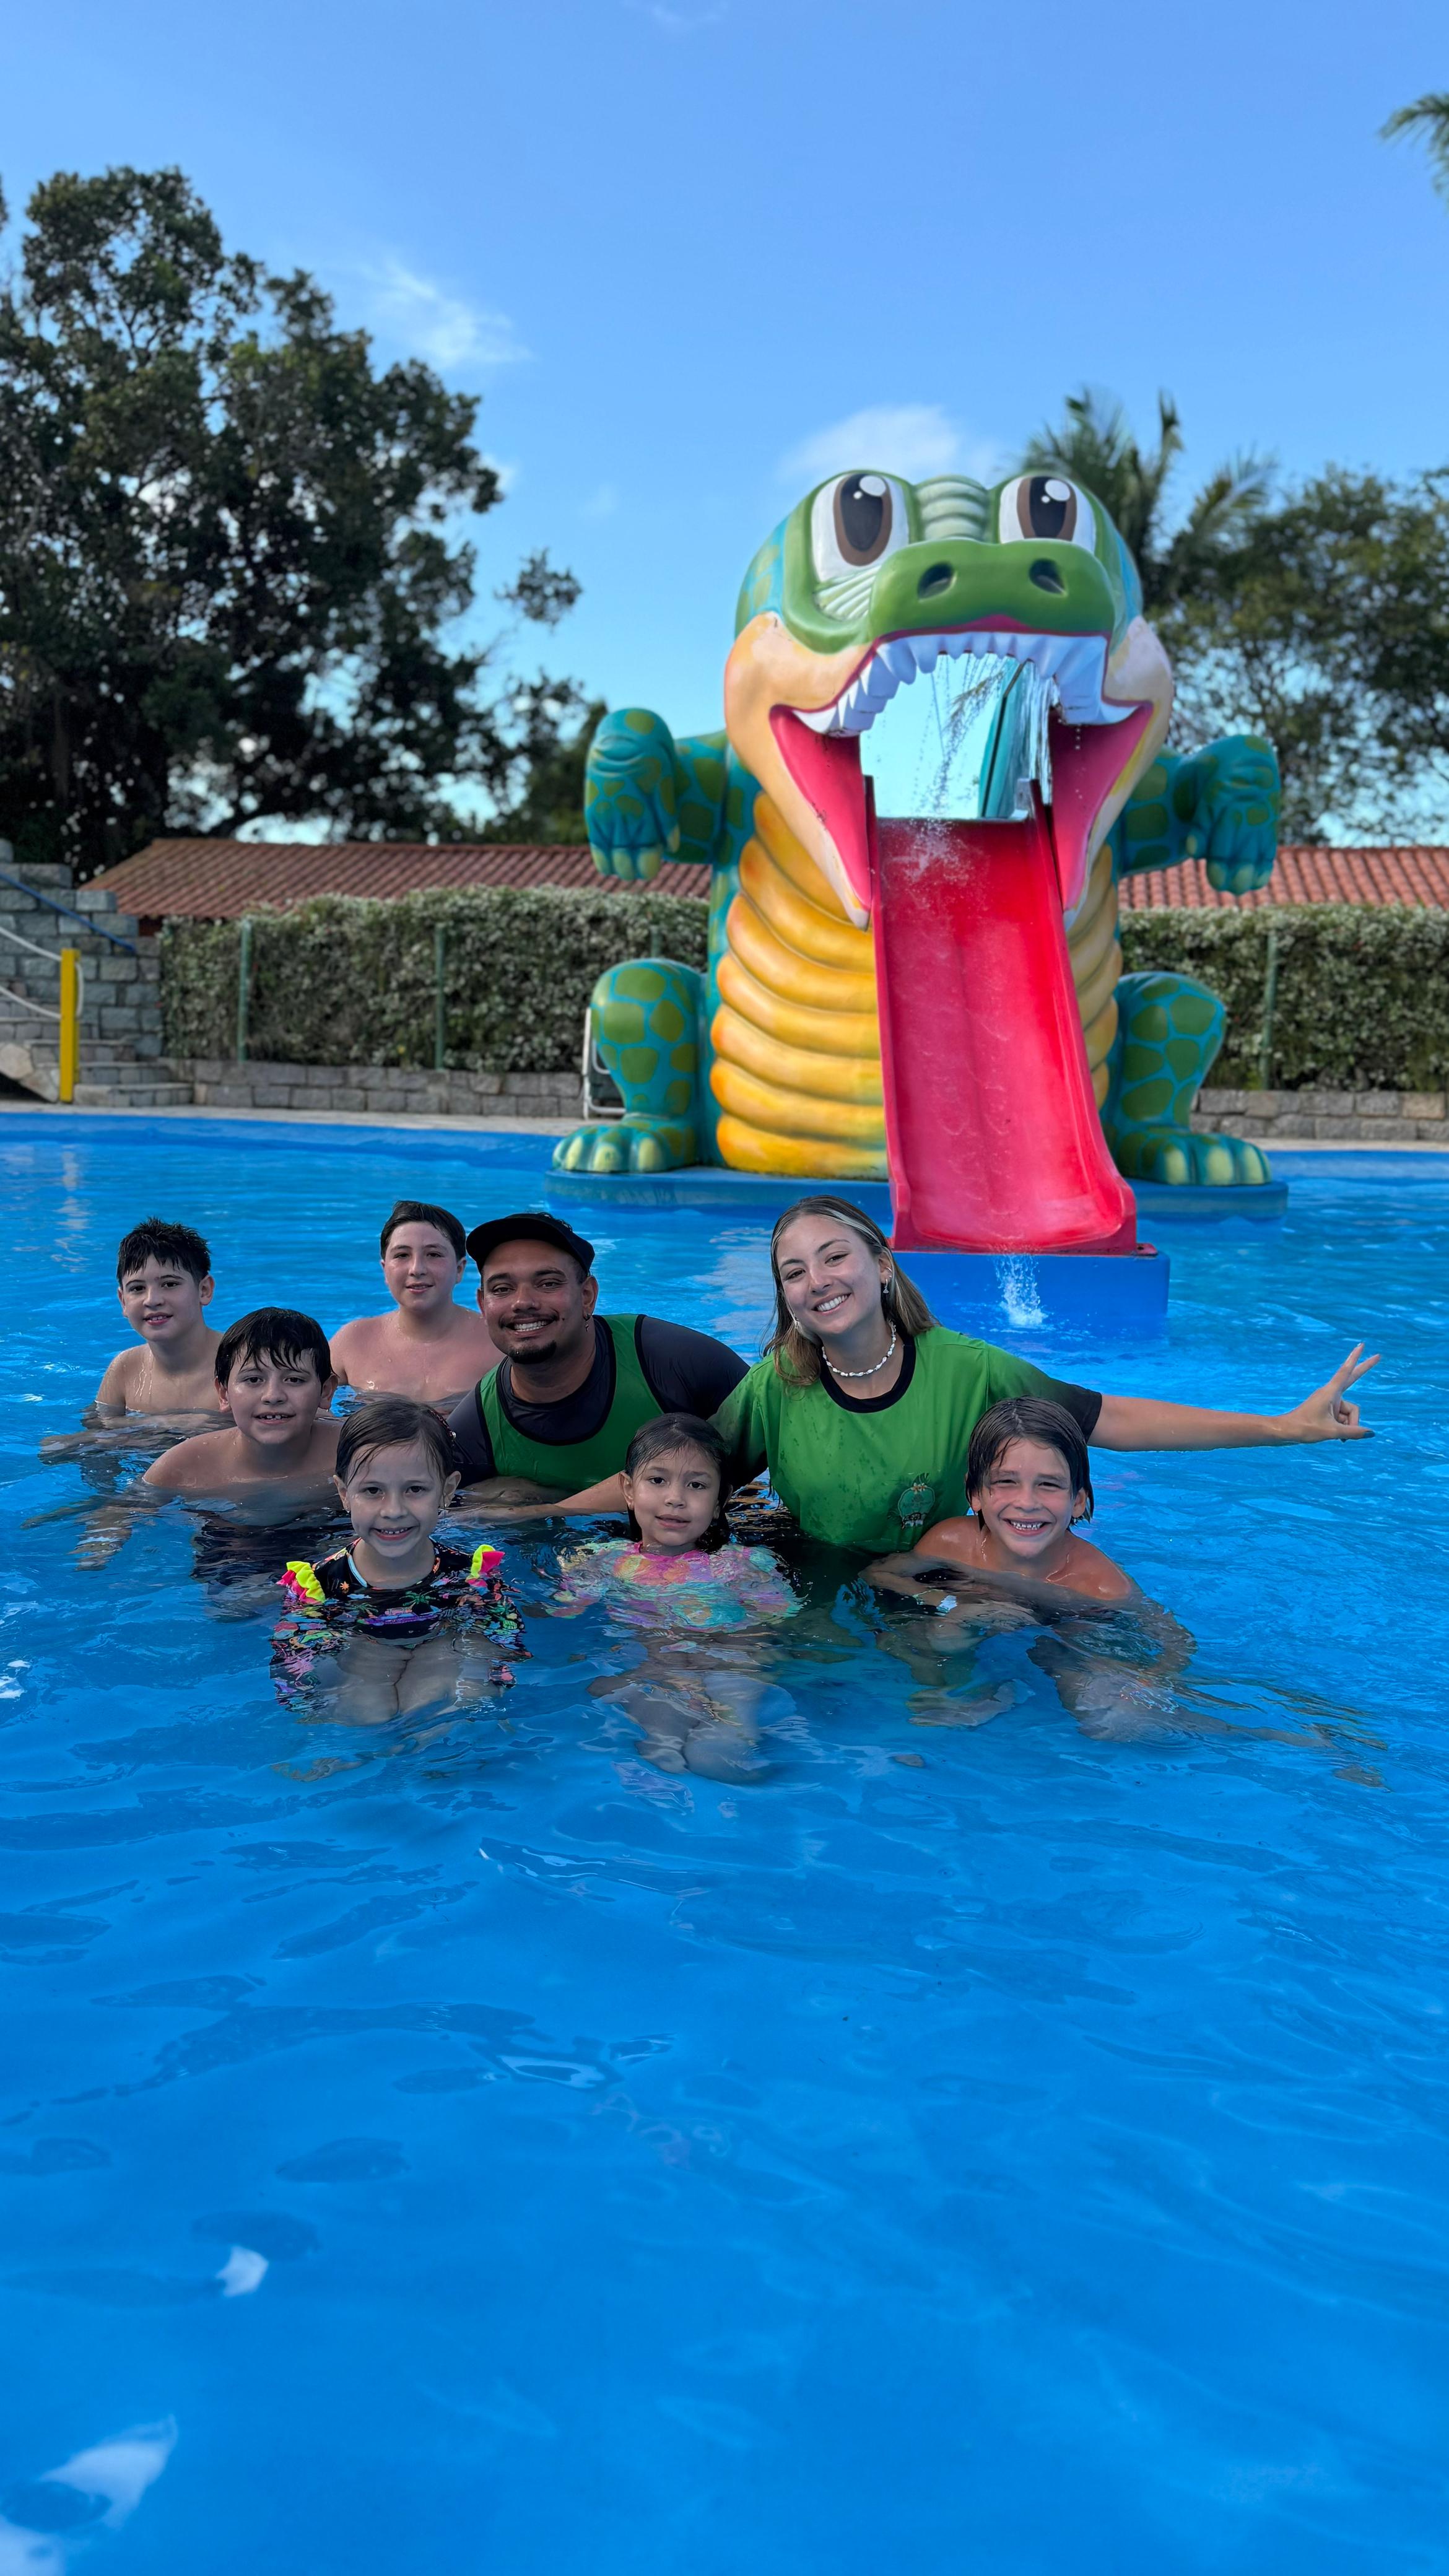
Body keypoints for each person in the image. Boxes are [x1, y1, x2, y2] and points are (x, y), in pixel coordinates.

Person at [701, 1196, 1380, 1557]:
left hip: (933, 1584)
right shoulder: (777, 1384)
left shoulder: (967, 1369)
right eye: (794, 1272)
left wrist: (1285, 1426)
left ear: (881, 1266)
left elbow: (1108, 1417)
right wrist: (589, 1503)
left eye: (834, 1257)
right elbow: (681, 1473)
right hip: (811, 1580)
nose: (817, 1281)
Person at [551, 1414, 795, 1778]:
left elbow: (777, 1620)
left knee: (734, 1691)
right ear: (629, 1490)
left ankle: (735, 1730)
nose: (675, 1499)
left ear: (719, 1501)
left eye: (696, 1486)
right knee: (653, 1709)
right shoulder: (606, 1561)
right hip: (659, 1665)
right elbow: (563, 1615)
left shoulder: (742, 1564)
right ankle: (664, 1734)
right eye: (658, 1480)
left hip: (728, 1662)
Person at [446, 1213, 748, 1500]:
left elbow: (774, 1447)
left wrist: (547, 1506)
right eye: (502, 1289)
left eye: (549, 1283)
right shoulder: (477, 1426)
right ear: (483, 1306)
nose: (523, 1301)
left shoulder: (674, 1362)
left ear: (587, 1296)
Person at [274, 1396, 520, 1723]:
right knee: (366, 1709)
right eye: (373, 1491)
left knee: (465, 1694)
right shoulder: (318, 1586)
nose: (393, 1511)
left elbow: (505, 1639)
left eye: (415, 1489)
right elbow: (293, 1669)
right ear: (344, 1493)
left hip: (441, 1652)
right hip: (364, 1662)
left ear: (447, 1491)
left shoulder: (472, 1575)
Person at [868, 1398, 1135, 1608]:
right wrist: (952, 1603)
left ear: (1078, 1501)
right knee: (940, 1640)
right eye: (1006, 1482)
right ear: (975, 1494)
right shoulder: (951, 1544)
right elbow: (879, 1575)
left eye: (1049, 1484)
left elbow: (1170, 1645)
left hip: (1067, 1623)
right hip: (970, 1615)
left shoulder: (1102, 1588)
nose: (1027, 1502)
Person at [142, 1308, 341, 1513]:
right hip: (224, 1535)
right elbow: (119, 1520)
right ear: (224, 1393)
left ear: (326, 1391)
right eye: (253, 1380)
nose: (273, 1396)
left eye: (294, 1380)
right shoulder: (181, 1469)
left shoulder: (355, 1452)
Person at [329, 1201, 502, 1412]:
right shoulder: (352, 1343)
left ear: (459, 1269)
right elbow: (307, 1410)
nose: (417, 1269)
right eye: (402, 1255)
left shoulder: (497, 1344)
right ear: (385, 1269)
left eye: (434, 1255)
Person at [95, 1219, 225, 1419]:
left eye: (170, 1284)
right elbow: (95, 1436)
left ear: (204, 1290)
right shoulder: (125, 1369)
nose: (152, 1300)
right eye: (137, 1288)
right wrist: (165, 1427)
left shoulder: (241, 1364)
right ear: (123, 1301)